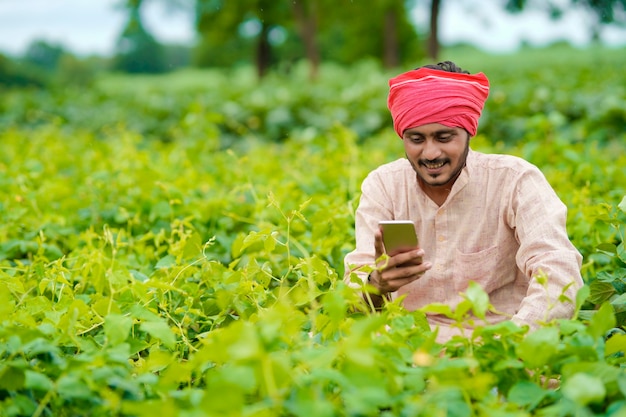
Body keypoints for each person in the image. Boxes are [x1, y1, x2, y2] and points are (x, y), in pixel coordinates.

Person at [343, 61, 584, 343]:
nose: (430, 153)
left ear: (469, 132)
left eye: (444, 137)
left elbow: (560, 274)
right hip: (408, 346)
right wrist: (376, 284)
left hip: (501, 342)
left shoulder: (515, 180)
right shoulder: (384, 185)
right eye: (416, 139)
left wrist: (509, 346)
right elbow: (353, 294)